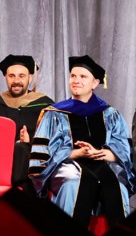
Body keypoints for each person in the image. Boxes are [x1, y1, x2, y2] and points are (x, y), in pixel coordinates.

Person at [29, 55, 134, 226]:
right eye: (73, 76)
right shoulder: (54, 113)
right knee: (73, 182)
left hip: (103, 165)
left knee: (117, 184)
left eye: (83, 76)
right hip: (67, 165)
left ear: (95, 83)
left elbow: (124, 149)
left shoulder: (110, 114)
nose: (76, 80)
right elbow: (42, 156)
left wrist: (103, 153)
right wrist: (75, 152)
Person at [0, 54, 53, 192]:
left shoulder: (45, 106)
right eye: (11, 76)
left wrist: (30, 141)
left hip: (33, 164)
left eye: (21, 76)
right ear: (5, 77)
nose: (16, 81)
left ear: (30, 78)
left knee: (21, 149)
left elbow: (54, 141)